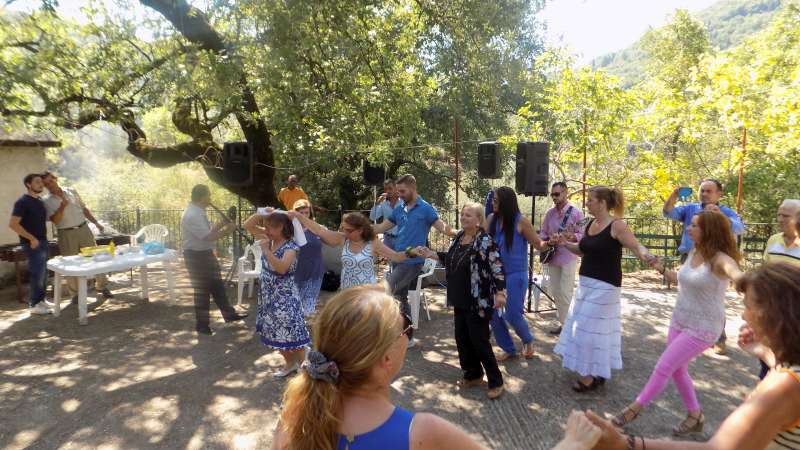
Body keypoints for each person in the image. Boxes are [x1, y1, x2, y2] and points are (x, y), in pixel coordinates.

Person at [575, 262, 800, 450]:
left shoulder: (783, 386)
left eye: (747, 306)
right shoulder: (789, 373)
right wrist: (763, 351)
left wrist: (626, 444)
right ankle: (694, 414)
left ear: (774, 315)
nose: (743, 315)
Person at [270, 284, 489, 450]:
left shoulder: (292, 418)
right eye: (406, 329)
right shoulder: (424, 432)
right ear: (386, 358)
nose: (408, 334)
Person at [610, 211, 744, 436]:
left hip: (704, 326)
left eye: (694, 225)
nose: (688, 228)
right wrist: (660, 267)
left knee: (664, 366)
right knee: (678, 370)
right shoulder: (694, 251)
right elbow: (681, 280)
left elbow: (736, 273)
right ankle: (695, 415)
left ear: (709, 231)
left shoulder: (720, 259)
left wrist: (744, 281)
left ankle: (634, 409)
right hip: (680, 319)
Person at [554, 186, 655, 391]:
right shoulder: (590, 224)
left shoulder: (617, 226)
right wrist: (564, 243)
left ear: (602, 203)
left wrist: (647, 255)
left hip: (606, 286)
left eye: (591, 200)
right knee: (594, 331)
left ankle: (588, 377)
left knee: (585, 329)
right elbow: (582, 250)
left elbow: (636, 246)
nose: (587, 203)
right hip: (586, 284)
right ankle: (597, 371)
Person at [415, 202, 507, 399]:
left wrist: (501, 292)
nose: (464, 217)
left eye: (468, 215)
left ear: (478, 220)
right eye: (463, 214)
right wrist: (432, 254)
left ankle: (496, 380)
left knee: (479, 341)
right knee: (462, 338)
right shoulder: (459, 237)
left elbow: (498, 267)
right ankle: (473, 374)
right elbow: (452, 258)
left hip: (478, 300)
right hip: (459, 297)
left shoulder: (485, 240)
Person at [372, 174, 457, 348]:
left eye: (402, 191)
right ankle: (407, 336)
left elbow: (443, 228)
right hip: (397, 259)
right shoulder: (400, 208)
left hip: (413, 262)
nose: (399, 194)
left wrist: (463, 232)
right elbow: (380, 227)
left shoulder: (425, 209)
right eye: (398, 191)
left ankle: (386, 334)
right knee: (401, 297)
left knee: (386, 289)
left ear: (412, 188)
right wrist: (359, 228)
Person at [663, 179, 744, 355]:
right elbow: (668, 212)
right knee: (687, 293)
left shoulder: (726, 211)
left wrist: (720, 216)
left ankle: (718, 337)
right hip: (690, 255)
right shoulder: (690, 208)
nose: (705, 194)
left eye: (709, 191)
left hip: (712, 258)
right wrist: (674, 195)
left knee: (711, 298)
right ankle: (686, 330)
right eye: (702, 190)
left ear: (719, 194)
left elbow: (739, 228)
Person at [180, 184, 247, 335]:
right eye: (209, 195)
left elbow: (207, 231)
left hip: (205, 254)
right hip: (196, 257)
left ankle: (229, 314)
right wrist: (227, 231)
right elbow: (207, 237)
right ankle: (202, 325)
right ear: (202, 197)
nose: (210, 198)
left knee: (217, 285)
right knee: (202, 290)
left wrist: (223, 223)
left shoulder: (198, 211)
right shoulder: (192, 215)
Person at [487, 186, 544, 361]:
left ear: (505, 202)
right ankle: (508, 349)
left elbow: (538, 244)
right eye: (492, 200)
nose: (492, 203)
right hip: (495, 275)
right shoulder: (491, 219)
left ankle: (528, 340)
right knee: (494, 314)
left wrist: (552, 242)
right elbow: (481, 241)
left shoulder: (521, 221)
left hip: (515, 274)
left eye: (496, 200)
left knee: (512, 314)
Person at [41, 171, 113, 302]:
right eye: (46, 184)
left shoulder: (71, 191)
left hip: (83, 228)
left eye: (51, 181)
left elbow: (84, 209)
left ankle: (102, 286)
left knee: (95, 257)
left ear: (55, 179)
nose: (50, 185)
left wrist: (96, 223)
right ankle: (75, 294)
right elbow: (55, 220)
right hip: (65, 233)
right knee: (70, 262)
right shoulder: (46, 201)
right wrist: (62, 206)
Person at [288, 211, 408, 289]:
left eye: (348, 230)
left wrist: (412, 252)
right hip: (347, 290)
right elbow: (319, 230)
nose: (344, 232)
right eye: (343, 228)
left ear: (360, 230)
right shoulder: (342, 239)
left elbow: (397, 257)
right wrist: (299, 217)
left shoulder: (373, 243)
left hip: (366, 292)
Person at [255, 212, 310, 377]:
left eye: (270, 227)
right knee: (275, 333)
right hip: (269, 297)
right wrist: (262, 213)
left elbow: (281, 268)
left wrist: (266, 250)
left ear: (281, 227)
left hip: (285, 298)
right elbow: (247, 225)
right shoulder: (270, 239)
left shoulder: (291, 247)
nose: (266, 231)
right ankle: (290, 364)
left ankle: (305, 372)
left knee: (293, 335)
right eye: (265, 227)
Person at [540, 181, 584, 335]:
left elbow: (582, 234)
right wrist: (549, 239)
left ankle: (569, 326)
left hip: (568, 257)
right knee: (556, 292)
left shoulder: (576, 213)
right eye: (552, 194)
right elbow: (542, 233)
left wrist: (571, 236)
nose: (554, 197)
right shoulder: (549, 214)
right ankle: (564, 323)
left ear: (565, 193)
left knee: (566, 292)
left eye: (557, 194)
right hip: (553, 257)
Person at [9, 174, 51, 315]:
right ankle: (34, 304)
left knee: (44, 274)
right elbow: (13, 224)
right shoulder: (22, 202)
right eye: (37, 182)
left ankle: (41, 301)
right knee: (37, 274)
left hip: (43, 241)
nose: (41, 184)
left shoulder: (39, 201)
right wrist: (32, 239)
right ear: (28, 184)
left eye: (41, 182)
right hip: (32, 243)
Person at [763, 199, 800, 265]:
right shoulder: (773, 239)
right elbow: (765, 267)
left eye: (786, 216)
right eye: (779, 215)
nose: (780, 220)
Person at [369, 179, 402, 250]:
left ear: (396, 188)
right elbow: (372, 217)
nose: (388, 191)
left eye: (390, 188)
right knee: (385, 257)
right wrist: (377, 203)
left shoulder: (403, 202)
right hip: (387, 239)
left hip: (401, 239)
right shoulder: (383, 203)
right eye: (386, 189)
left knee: (400, 257)